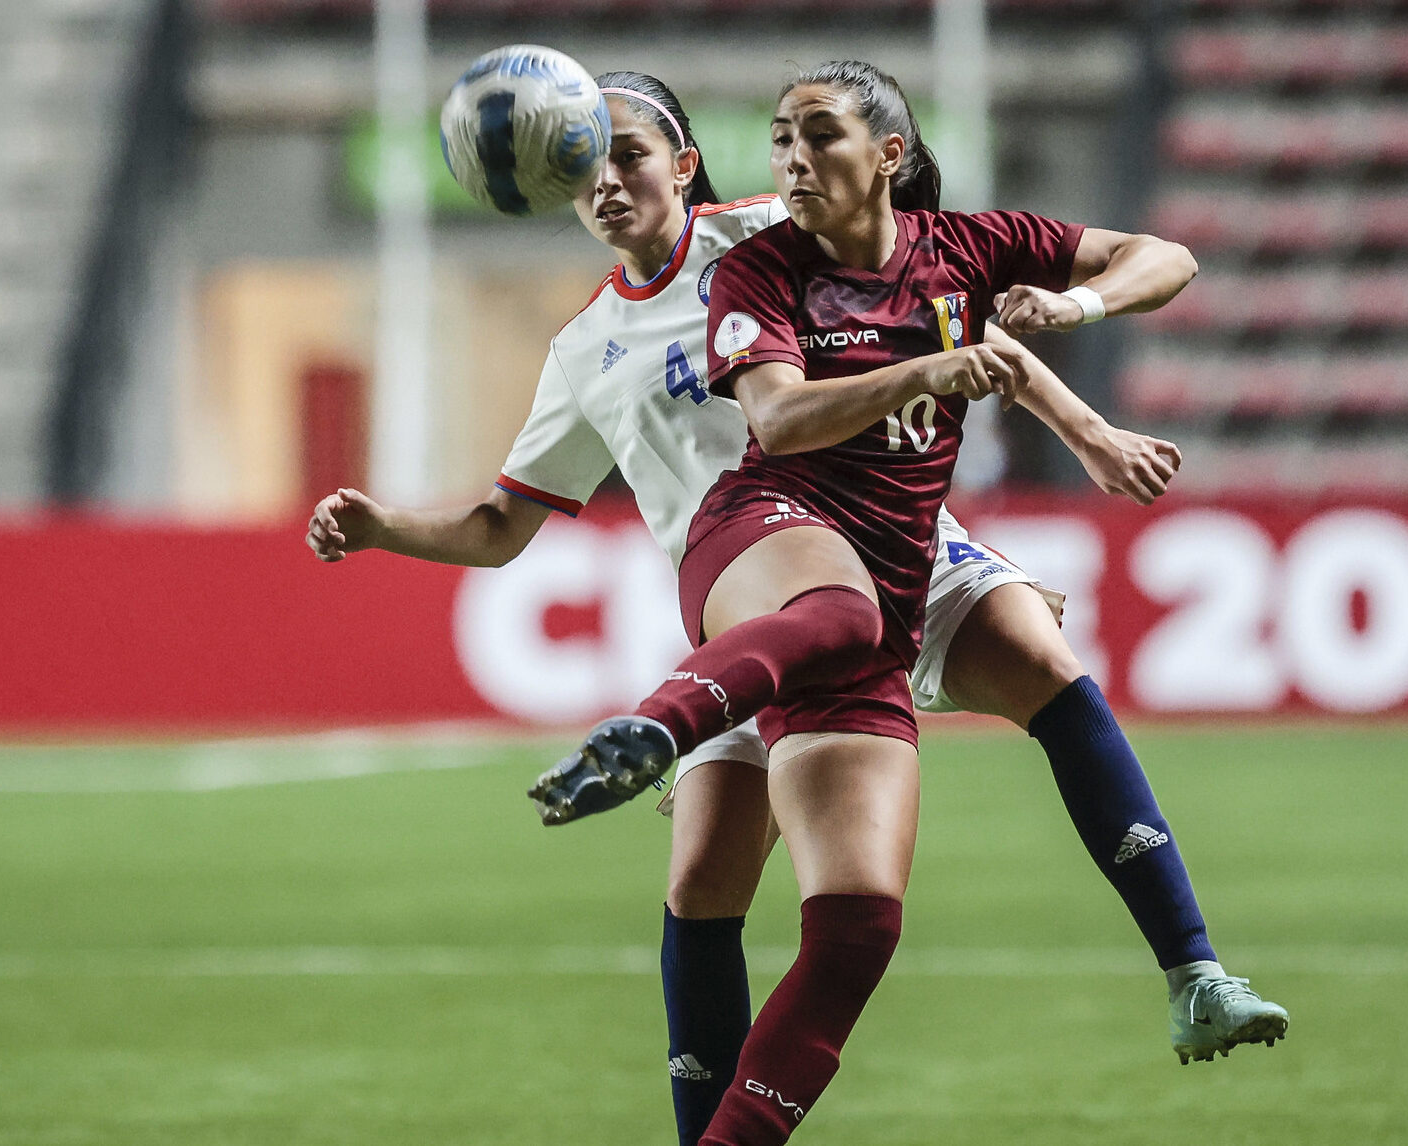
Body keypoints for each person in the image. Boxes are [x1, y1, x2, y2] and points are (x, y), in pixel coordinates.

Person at [308, 69, 1280, 1146]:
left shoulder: (781, 224)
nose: (606, 181)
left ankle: (1194, 968)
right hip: (751, 597)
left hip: (902, 555)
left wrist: (1085, 428)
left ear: (684, 165)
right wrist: (384, 526)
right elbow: (500, 527)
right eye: (584, 165)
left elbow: (961, 318)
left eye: (629, 153)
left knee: (1039, 664)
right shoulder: (586, 353)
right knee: (705, 883)